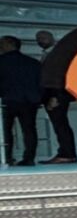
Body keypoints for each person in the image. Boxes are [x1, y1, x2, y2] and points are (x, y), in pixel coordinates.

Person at [0, 35, 41, 167]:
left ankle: (6, 157)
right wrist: (39, 99)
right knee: (29, 130)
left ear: (9, 44)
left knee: (6, 131)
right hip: (29, 101)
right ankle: (29, 159)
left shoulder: (1, 61)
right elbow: (41, 83)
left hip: (7, 100)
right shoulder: (33, 62)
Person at [35, 31, 75, 164]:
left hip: (57, 95)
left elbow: (57, 76)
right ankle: (66, 153)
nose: (40, 40)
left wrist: (54, 96)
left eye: (43, 37)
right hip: (54, 95)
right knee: (60, 124)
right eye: (38, 39)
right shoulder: (48, 53)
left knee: (60, 125)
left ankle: (66, 154)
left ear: (52, 38)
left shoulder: (57, 53)